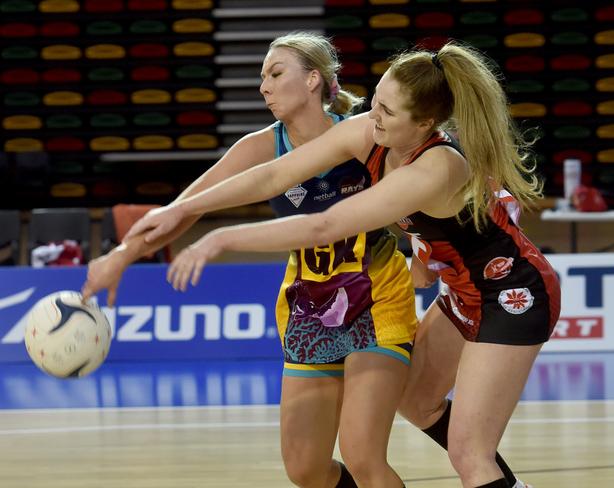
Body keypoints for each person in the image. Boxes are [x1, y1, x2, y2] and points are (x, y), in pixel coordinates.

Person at [126, 41, 558, 488]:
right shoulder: (371, 134)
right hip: (463, 290)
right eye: (374, 102)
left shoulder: (435, 168)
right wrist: (184, 209)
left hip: (513, 295)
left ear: (425, 124)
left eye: (387, 113)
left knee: (470, 454)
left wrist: (220, 238)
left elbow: (324, 226)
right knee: (416, 402)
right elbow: (276, 174)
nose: (373, 117)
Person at [83, 32, 417, 488]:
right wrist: (122, 256)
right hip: (309, 306)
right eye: (262, 78)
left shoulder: (366, 128)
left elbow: (425, 169)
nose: (264, 87)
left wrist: (430, 250)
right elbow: (185, 208)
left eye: (276, 74)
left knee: (363, 456)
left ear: (314, 79)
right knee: (304, 469)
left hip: (377, 296)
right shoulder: (261, 147)